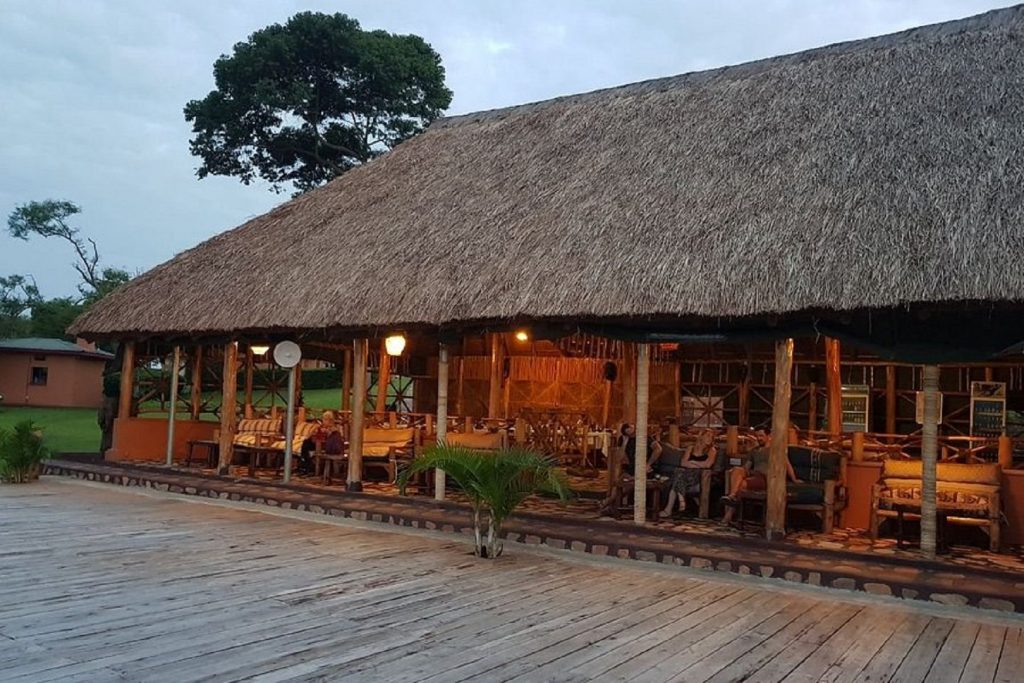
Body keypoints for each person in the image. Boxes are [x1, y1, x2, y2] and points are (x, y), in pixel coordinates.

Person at [720, 430, 801, 525]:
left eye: (761, 436)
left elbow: (787, 464)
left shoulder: (775, 449)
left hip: (764, 477)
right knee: (737, 470)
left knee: (740, 485)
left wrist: (794, 478)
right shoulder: (754, 451)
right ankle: (732, 496)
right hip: (753, 473)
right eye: (757, 436)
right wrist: (740, 472)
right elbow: (747, 466)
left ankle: (729, 513)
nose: (759, 438)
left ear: (768, 436)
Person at [597, 423, 663, 518]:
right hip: (632, 468)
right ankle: (611, 505)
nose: (633, 432)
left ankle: (607, 502)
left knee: (631, 482)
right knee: (621, 481)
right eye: (629, 431)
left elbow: (658, 449)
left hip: (646, 469)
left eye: (633, 429)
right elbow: (619, 458)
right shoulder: (624, 440)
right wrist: (624, 443)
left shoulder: (644, 438)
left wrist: (648, 464)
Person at [661, 429, 718, 517]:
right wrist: (698, 464)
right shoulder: (691, 448)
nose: (710, 438)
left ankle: (672, 506)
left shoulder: (712, 450)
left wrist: (692, 463)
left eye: (711, 437)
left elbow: (707, 464)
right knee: (679, 471)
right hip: (685, 474)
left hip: (698, 476)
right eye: (707, 435)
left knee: (677, 475)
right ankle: (677, 501)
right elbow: (683, 463)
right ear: (701, 437)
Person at [298, 410, 343, 475]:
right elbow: (309, 436)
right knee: (306, 443)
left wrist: (326, 432)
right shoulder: (321, 427)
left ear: (330, 420)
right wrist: (315, 431)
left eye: (325, 419)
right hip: (316, 443)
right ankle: (305, 464)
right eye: (323, 419)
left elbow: (331, 439)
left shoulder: (334, 429)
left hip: (327, 446)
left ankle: (306, 466)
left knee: (306, 446)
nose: (323, 421)